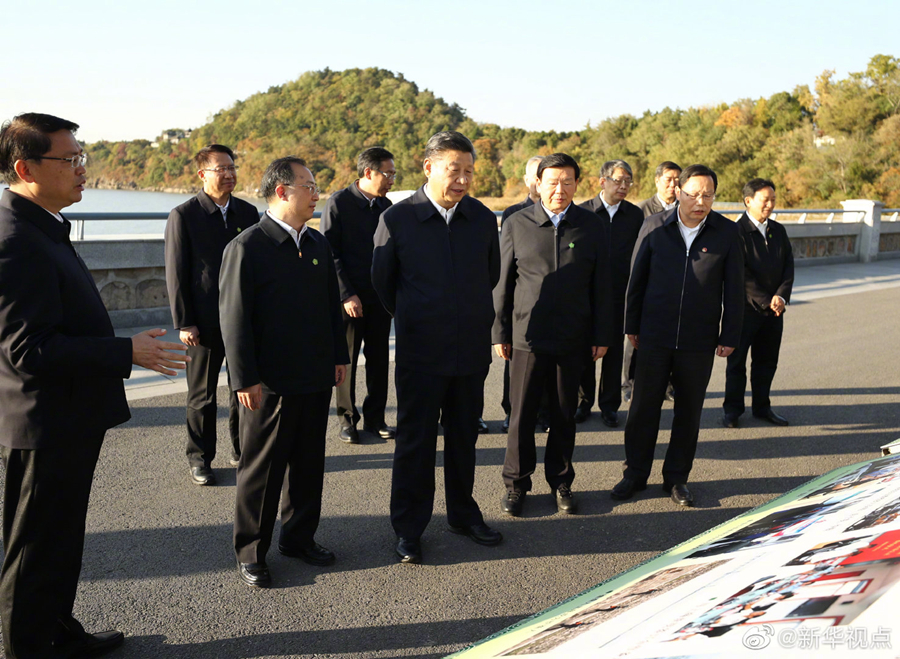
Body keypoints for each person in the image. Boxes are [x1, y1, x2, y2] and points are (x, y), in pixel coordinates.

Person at [0, 113, 189, 658]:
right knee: (34, 547)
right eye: (71, 160)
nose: (84, 170)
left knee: (59, 540)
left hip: (66, 416)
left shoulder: (40, 225)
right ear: (25, 167)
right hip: (43, 422)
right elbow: (27, 349)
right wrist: (126, 351)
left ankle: (58, 630)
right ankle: (29, 649)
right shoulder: (16, 238)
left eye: (83, 158)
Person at [372, 131, 502, 564]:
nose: (463, 179)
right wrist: (419, 316)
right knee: (416, 441)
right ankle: (409, 527)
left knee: (464, 437)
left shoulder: (482, 219)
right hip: (420, 353)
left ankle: (463, 513)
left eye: (469, 171)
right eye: (454, 170)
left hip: (469, 352)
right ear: (428, 168)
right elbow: (383, 284)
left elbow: (491, 275)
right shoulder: (398, 219)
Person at [219, 157, 349, 587]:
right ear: (281, 191)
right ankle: (251, 550)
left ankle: (299, 538)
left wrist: (339, 357)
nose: (316, 194)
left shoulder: (317, 244)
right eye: (308, 186)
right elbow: (234, 321)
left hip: (314, 376)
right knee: (263, 469)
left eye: (316, 186)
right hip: (269, 382)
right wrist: (244, 379)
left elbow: (333, 308)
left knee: (309, 463)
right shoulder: (248, 247)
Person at [613, 164, 744, 507]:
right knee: (643, 408)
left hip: (698, 340)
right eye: (694, 194)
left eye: (708, 195)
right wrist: (631, 325)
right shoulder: (655, 226)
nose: (700, 201)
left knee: (689, 411)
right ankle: (634, 473)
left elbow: (734, 290)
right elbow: (635, 280)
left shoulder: (726, 233)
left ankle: (676, 478)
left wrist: (729, 333)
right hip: (654, 334)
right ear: (679, 192)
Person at [493, 153, 610, 517]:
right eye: (552, 182)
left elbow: (602, 287)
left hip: (573, 337)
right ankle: (516, 484)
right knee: (521, 415)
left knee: (564, 414)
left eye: (568, 182)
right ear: (538, 184)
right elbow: (502, 284)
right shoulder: (517, 223)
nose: (560, 189)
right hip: (527, 335)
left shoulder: (590, 226)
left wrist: (601, 333)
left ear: (578, 184)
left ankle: (561, 480)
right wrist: (500, 331)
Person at [165, 144, 260, 486]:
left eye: (232, 167)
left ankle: (243, 449)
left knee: (244, 387)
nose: (229, 173)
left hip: (242, 320)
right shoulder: (184, 215)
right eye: (221, 168)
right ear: (202, 174)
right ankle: (200, 458)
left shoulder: (248, 214)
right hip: (203, 322)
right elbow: (176, 272)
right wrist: (184, 321)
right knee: (202, 395)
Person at [320, 147, 396, 444]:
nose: (391, 179)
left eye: (393, 174)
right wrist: (347, 294)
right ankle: (348, 419)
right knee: (347, 360)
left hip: (379, 298)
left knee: (379, 361)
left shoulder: (385, 206)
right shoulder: (339, 203)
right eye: (387, 174)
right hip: (349, 299)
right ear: (368, 173)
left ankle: (376, 419)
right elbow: (330, 253)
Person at [575, 160, 644, 428]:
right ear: (602, 181)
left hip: (620, 295)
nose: (624, 186)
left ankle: (609, 405)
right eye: (618, 180)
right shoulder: (583, 213)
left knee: (613, 353)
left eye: (628, 181)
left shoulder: (635, 215)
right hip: (587, 295)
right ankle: (583, 403)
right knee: (584, 353)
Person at [723, 178, 794, 428]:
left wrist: (782, 297)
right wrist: (767, 300)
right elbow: (739, 273)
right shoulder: (735, 232)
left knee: (766, 362)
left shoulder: (778, 230)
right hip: (745, 311)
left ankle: (762, 408)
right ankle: (732, 411)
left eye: (773, 200)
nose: (770, 205)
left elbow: (788, 267)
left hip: (774, 312)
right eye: (766, 200)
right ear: (748, 201)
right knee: (737, 364)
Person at [627, 161, 682, 404]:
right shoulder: (641, 210)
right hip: (647, 281)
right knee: (635, 337)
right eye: (668, 179)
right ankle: (629, 384)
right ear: (657, 181)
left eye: (677, 180)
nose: (673, 184)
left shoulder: (686, 208)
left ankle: (668, 384)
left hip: (675, 283)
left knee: (670, 337)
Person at [496, 155, 543, 433]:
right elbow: (505, 265)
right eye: (535, 175)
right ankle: (510, 411)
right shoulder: (514, 213)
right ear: (527, 180)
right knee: (514, 364)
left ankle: (543, 412)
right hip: (519, 301)